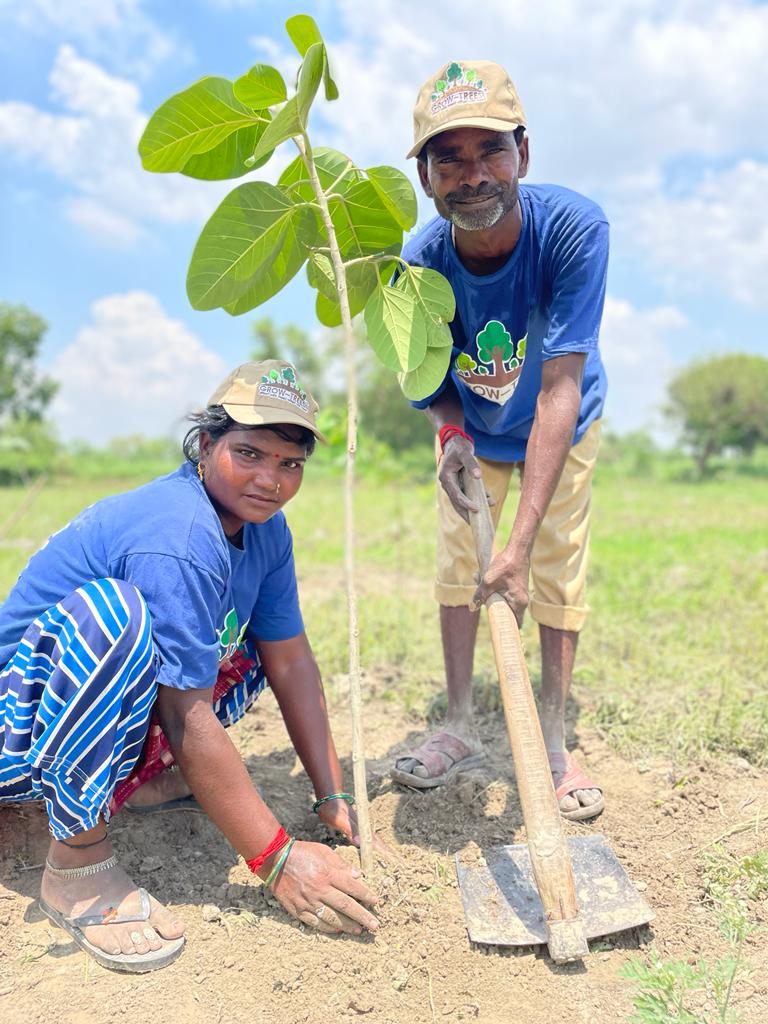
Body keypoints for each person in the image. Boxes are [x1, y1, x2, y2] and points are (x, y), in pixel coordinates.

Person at [0, 360, 380, 973]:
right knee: (114, 615)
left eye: (291, 464)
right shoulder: (177, 533)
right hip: (17, 733)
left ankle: (137, 783)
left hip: (72, 721)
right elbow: (188, 716)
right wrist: (278, 859)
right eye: (250, 454)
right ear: (205, 445)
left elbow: (290, 663)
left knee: (245, 642)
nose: (270, 480)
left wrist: (329, 792)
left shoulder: (265, 531)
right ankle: (77, 864)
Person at [390, 61, 607, 822]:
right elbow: (428, 371)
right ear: (423, 175)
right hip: (474, 430)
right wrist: (450, 433)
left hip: (561, 419)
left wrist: (517, 541)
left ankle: (551, 739)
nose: (472, 175)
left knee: (549, 562)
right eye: (448, 157)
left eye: (491, 151)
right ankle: (458, 721)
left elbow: (559, 386)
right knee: (461, 562)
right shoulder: (415, 266)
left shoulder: (576, 231)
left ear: (524, 153)